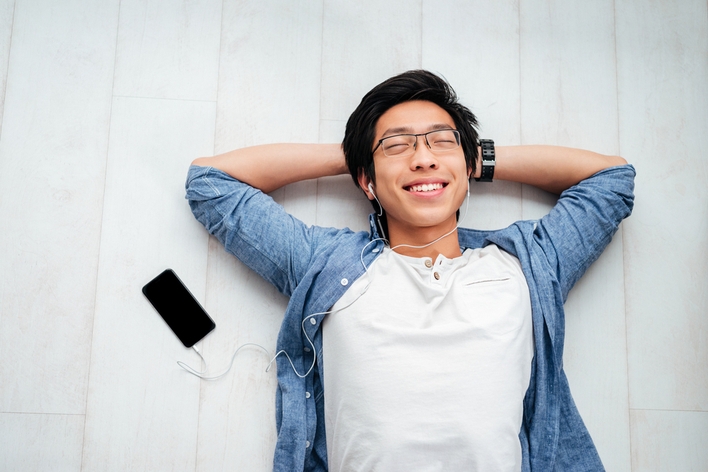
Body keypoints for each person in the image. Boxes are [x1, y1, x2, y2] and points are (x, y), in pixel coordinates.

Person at [186, 70, 635, 472]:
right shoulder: (328, 263)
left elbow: (612, 181)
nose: (423, 159)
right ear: (366, 181)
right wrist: (357, 155)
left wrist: (472, 158)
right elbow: (210, 184)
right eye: (398, 146)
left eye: (442, 141)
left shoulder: (526, 263)